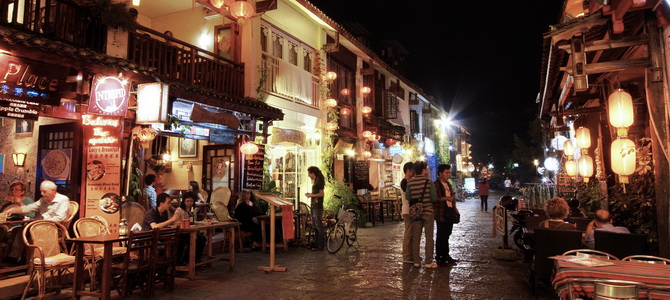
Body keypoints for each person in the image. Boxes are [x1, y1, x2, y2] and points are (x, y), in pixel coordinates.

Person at [406, 161, 437, 269]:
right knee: (429, 237)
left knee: (416, 237)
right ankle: (428, 261)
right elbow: (434, 198)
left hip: (416, 213)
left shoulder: (410, 183)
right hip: (428, 212)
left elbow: (408, 197)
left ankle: (416, 261)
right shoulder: (429, 183)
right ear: (424, 170)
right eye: (426, 168)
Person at [1, 181, 70, 222]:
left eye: (44, 191)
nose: (42, 194)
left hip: (55, 227)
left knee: (25, 230)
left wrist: (41, 220)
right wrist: (12, 210)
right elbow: (28, 208)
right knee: (19, 231)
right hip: (41, 224)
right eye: (41, 191)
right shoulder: (43, 200)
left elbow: (60, 218)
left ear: (53, 191)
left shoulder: (63, 199)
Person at [433, 164, 458, 266]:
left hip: (449, 212)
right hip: (441, 213)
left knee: (447, 234)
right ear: (440, 173)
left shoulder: (448, 184)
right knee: (441, 235)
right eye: (446, 173)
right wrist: (446, 198)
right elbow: (435, 199)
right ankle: (440, 257)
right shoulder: (436, 184)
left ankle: (446, 254)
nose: (448, 174)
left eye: (449, 172)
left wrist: (454, 208)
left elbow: (452, 197)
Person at [174, 192, 206, 264]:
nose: (189, 203)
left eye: (191, 201)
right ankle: (186, 260)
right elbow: (176, 222)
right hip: (182, 233)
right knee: (193, 240)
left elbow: (193, 221)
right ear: (184, 201)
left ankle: (194, 259)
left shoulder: (193, 210)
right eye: (187, 201)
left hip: (190, 232)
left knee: (202, 239)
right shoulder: (179, 210)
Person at [305, 166, 325, 251]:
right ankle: (316, 243)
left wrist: (311, 195)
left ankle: (320, 244)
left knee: (318, 225)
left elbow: (321, 194)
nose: (308, 175)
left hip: (317, 206)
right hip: (314, 205)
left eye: (309, 173)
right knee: (315, 225)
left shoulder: (319, 181)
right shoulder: (316, 180)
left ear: (313, 173)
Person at [400, 162, 414, 264]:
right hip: (407, 210)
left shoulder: (408, 181)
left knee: (411, 233)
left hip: (410, 210)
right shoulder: (404, 182)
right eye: (412, 170)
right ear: (408, 170)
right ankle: (406, 255)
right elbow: (409, 196)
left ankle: (410, 254)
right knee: (408, 233)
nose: (414, 172)